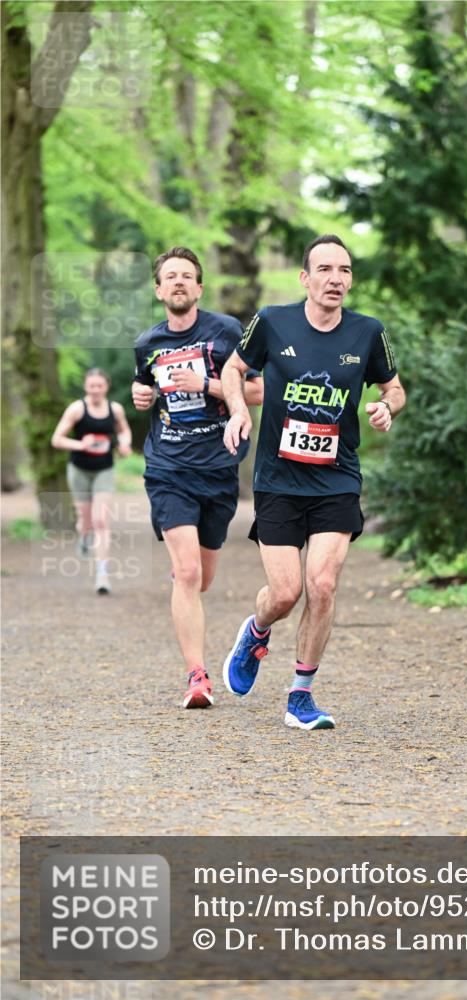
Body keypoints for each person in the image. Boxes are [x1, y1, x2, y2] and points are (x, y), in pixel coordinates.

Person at [221, 234, 406, 731]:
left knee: (321, 585)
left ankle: (300, 695)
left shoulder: (368, 332)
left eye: (344, 270)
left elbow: (394, 387)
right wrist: (237, 410)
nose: (335, 279)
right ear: (305, 278)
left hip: (336, 478)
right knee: (285, 593)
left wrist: (387, 406)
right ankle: (257, 631)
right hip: (278, 479)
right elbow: (235, 369)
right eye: (324, 269)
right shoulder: (272, 321)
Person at [132, 246, 262, 709]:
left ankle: (185, 578)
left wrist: (206, 385)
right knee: (187, 572)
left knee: (201, 579)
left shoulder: (226, 332)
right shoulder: (147, 343)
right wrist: (141, 396)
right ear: (158, 290)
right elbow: (145, 387)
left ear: (199, 287)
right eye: (170, 276)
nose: (179, 282)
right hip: (168, 468)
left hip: (219, 467)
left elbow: (258, 390)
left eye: (187, 276)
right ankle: (197, 677)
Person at [52, 368, 133, 595]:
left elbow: (124, 431)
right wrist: (81, 444)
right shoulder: (77, 409)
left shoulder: (115, 409)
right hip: (79, 470)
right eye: (91, 386)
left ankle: (102, 574)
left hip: (104, 470)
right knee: (85, 521)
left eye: (99, 385)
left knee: (101, 521)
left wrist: (124, 444)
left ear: (106, 386)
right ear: (86, 387)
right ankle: (83, 535)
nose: (95, 390)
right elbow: (57, 439)